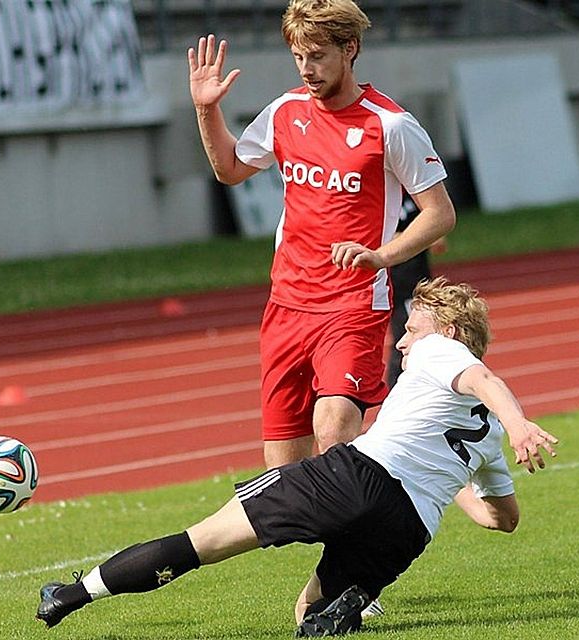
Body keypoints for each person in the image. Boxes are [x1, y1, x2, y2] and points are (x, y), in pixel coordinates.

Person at [35, 277, 559, 636]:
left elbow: (482, 377)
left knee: (204, 541)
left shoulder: (442, 350)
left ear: (446, 332)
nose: (401, 343)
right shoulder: (484, 434)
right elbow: (503, 519)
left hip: (355, 477)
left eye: (412, 329)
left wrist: (520, 424)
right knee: (309, 613)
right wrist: (452, 480)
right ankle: (338, 612)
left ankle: (73, 595)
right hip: (408, 527)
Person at [187, 0, 457, 470]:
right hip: (287, 306)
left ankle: (362, 538)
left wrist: (381, 255)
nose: (307, 69)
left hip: (353, 305)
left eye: (318, 56)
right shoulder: (285, 112)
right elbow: (229, 169)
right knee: (282, 477)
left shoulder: (390, 125)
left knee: (333, 430)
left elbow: (440, 214)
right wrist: (206, 110)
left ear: (349, 49)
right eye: (298, 57)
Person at [386, 192, 448, 389]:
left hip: (421, 280)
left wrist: (431, 235)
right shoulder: (382, 199)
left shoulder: (413, 197)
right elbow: (380, 239)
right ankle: (397, 392)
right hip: (398, 283)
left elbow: (437, 230)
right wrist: (421, 236)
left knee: (431, 336)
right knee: (407, 340)